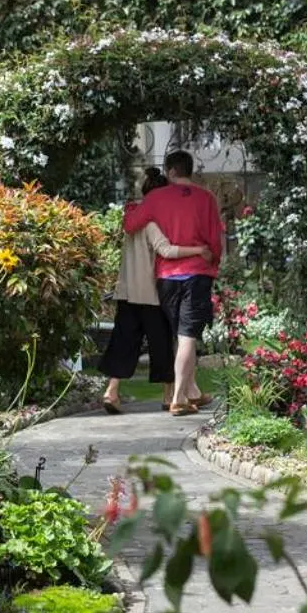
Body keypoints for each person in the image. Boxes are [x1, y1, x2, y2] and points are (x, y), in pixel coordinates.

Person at [100, 167, 211, 413]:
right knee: (162, 344)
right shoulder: (153, 221)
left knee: (123, 341)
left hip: (128, 291)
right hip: (152, 292)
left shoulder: (131, 216)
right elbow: (166, 250)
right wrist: (198, 250)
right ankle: (169, 395)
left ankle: (111, 391)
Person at [122, 150, 225, 416]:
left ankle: (190, 392)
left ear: (170, 171)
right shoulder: (206, 198)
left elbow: (131, 225)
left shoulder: (156, 198)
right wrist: (212, 265)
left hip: (166, 277)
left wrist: (132, 208)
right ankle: (178, 398)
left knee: (180, 336)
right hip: (197, 273)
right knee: (188, 335)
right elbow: (215, 240)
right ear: (190, 170)